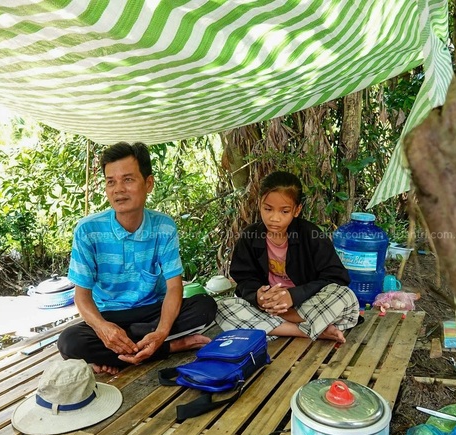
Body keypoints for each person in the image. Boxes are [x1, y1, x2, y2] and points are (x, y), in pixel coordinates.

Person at [58, 142, 217, 374]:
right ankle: (172, 347)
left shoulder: (163, 226)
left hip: (152, 310)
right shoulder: (88, 231)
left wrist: (161, 330)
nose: (118, 189)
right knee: (70, 341)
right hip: (110, 316)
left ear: (148, 183)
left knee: (205, 306)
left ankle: (124, 352)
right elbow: (81, 296)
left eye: (128, 179)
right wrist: (103, 329)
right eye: (110, 181)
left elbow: (174, 288)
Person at [216, 171, 359, 343]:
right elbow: (244, 279)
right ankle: (311, 330)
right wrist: (259, 297)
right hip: (269, 306)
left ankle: (279, 326)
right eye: (268, 209)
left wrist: (293, 296)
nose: (274, 218)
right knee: (222, 307)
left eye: (284, 211)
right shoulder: (250, 236)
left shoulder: (311, 235)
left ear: (296, 210)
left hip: (305, 304)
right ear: (259, 204)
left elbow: (336, 277)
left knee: (344, 296)